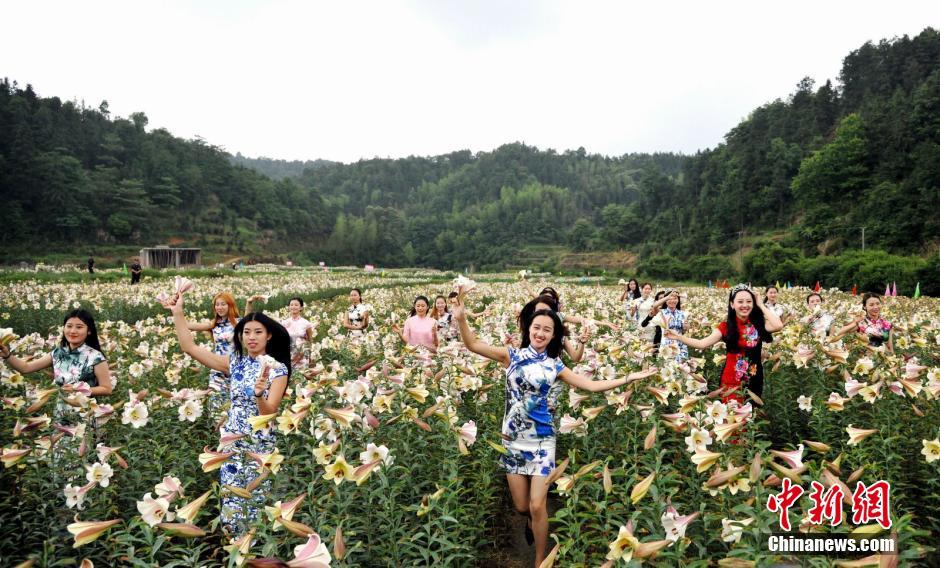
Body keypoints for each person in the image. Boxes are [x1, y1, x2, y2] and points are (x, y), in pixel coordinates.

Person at [451, 294, 656, 567]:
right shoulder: (510, 356)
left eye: (547, 330)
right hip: (512, 440)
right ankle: (529, 522)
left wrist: (628, 377)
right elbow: (473, 344)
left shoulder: (555, 365)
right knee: (522, 507)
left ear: (553, 335)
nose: (541, 333)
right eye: (537, 327)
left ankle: (540, 560)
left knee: (538, 505)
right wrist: (463, 320)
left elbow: (590, 385)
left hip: (542, 440)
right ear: (528, 329)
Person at [164, 293, 290, 536]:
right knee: (231, 502)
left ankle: (252, 553)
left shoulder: (278, 368)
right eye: (246, 332)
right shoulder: (235, 363)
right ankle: (234, 547)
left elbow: (270, 412)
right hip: (231, 441)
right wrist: (177, 312)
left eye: (258, 332)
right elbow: (189, 347)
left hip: (259, 444)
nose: (251, 337)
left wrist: (259, 395)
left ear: (269, 335)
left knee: (255, 502)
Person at [664, 285, 783, 403]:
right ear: (732, 304)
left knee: (751, 416)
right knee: (732, 417)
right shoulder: (726, 327)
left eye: (749, 301)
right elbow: (702, 343)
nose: (745, 305)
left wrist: (761, 305)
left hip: (754, 379)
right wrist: (678, 336)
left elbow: (778, 325)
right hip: (731, 380)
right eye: (740, 301)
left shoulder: (758, 324)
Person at [0, 309, 113, 419]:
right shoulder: (58, 352)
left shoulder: (96, 357)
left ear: (89, 331)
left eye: (79, 327)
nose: (72, 331)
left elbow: (107, 389)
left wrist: (77, 389)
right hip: (60, 412)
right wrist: (7, 355)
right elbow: (26, 368)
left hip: (84, 415)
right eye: (69, 326)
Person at [186, 293, 241, 414]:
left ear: (230, 305)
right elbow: (188, 326)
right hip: (216, 367)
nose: (219, 307)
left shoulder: (238, 323)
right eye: (217, 305)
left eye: (223, 304)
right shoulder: (214, 324)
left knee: (235, 401)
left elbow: (250, 319)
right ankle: (217, 429)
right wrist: (175, 312)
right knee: (216, 401)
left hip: (234, 366)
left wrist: (249, 303)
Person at [280, 297, 314, 370]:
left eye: (296, 305)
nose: (293, 307)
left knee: (301, 377)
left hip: (301, 356)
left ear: (301, 308)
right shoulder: (284, 323)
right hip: (288, 355)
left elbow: (310, 341)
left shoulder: (306, 323)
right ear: (289, 307)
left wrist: (310, 358)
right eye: (291, 305)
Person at [657, 290, 690, 361]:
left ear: (678, 300)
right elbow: (654, 305)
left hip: (681, 344)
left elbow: (684, 331)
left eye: (675, 298)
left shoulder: (683, 313)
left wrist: (686, 327)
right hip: (666, 344)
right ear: (666, 300)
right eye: (669, 299)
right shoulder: (661, 312)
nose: (672, 301)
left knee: (682, 368)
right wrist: (667, 297)